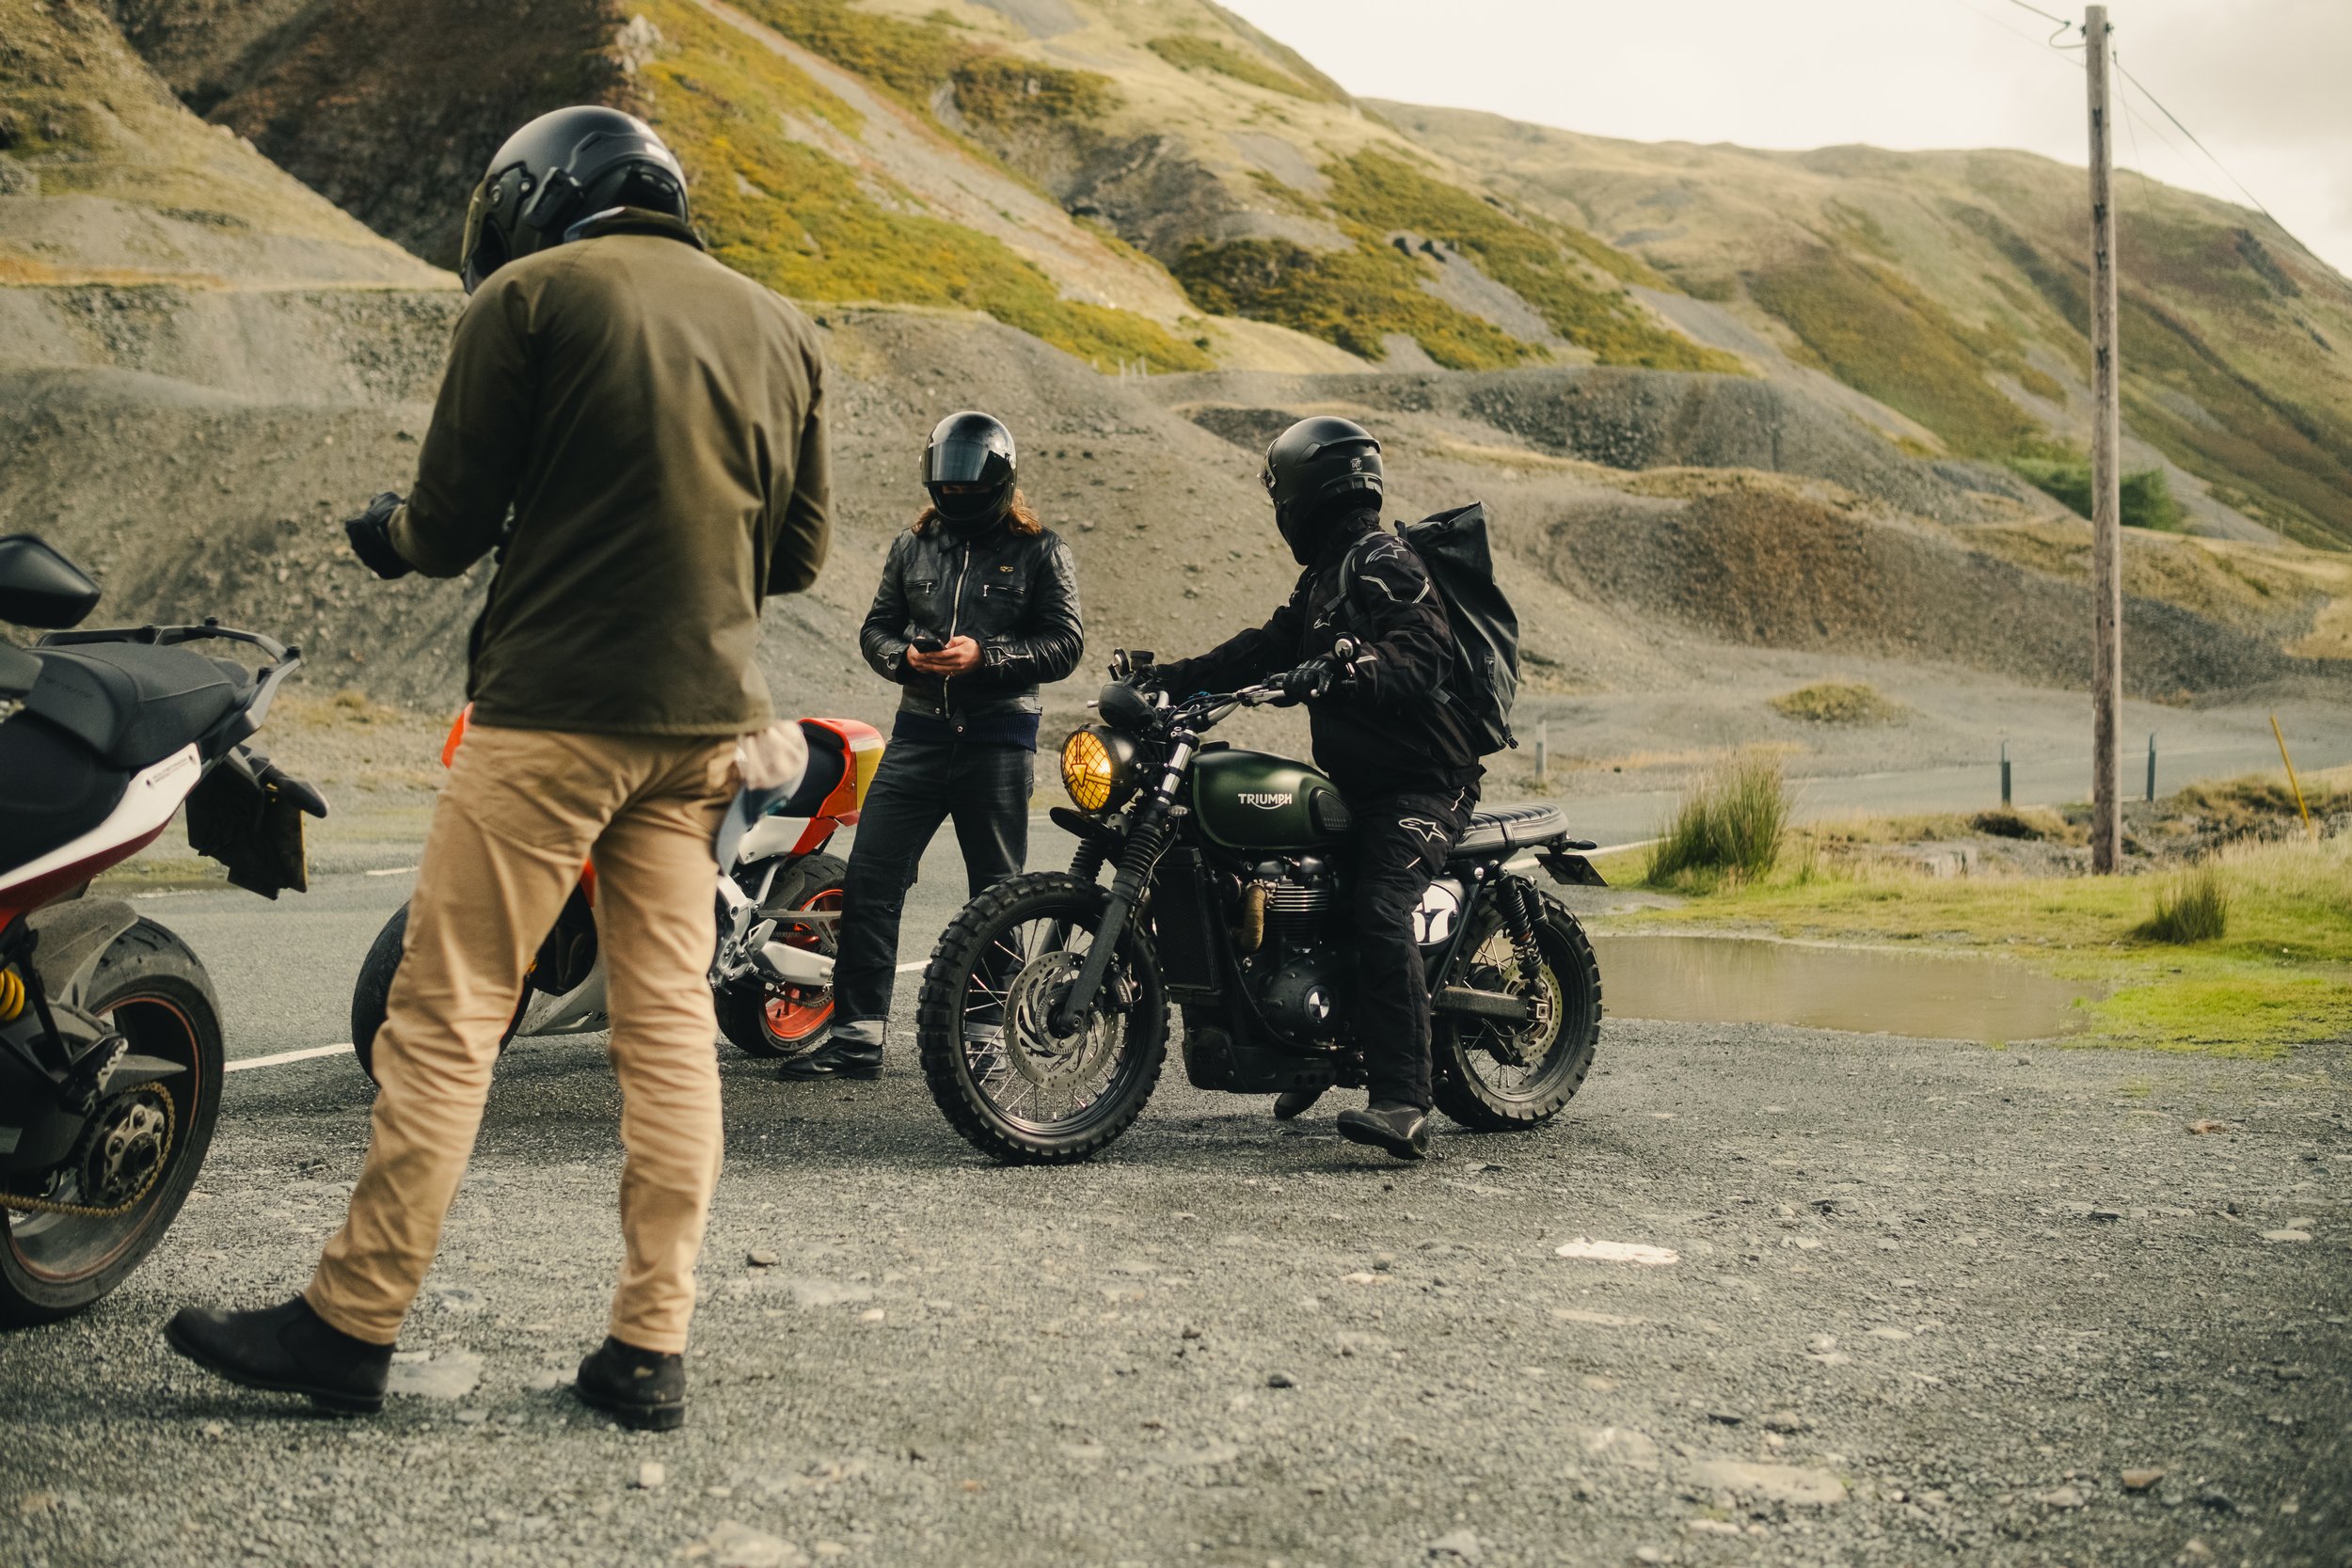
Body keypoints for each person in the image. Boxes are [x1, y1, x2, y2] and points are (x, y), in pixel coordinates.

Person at [163, 105, 831, 1431]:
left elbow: (449, 520)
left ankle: (352, 1318)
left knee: (453, 1007)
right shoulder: (782, 323)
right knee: (665, 1028)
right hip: (706, 726)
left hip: (553, 714)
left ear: (534, 199)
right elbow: (799, 556)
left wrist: (384, 535)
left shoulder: (528, 295)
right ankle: (650, 1343)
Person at [1148, 417, 1479, 1162]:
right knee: (1273, 880)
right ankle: (1315, 1046)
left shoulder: (1385, 559)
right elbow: (1259, 650)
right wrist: (1170, 680)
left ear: (1304, 491)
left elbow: (1424, 651)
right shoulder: (1323, 580)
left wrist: (1356, 663)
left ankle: (1402, 1098)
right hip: (1356, 786)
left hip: (1424, 786)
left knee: (1378, 906)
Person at [781, 411, 1082, 1081]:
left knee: (994, 896)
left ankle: (985, 1043)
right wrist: (903, 660)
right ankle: (856, 1040)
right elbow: (876, 629)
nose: (958, 503)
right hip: (916, 737)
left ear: (1001, 485)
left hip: (998, 743)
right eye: (949, 493)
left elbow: (1065, 644)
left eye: (973, 494)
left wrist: (988, 656)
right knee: (869, 883)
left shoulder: (1042, 549)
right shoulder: (910, 547)